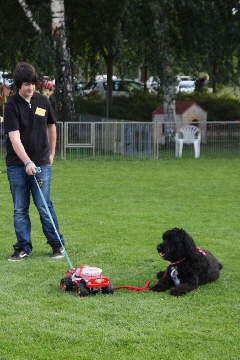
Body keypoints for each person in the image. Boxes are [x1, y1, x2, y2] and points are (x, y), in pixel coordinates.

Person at [4, 62, 65, 261]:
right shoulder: (11, 105)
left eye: (32, 83)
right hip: (16, 165)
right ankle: (23, 247)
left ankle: (57, 244)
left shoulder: (43, 102)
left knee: (44, 205)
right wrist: (27, 162)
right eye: (25, 84)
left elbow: (51, 127)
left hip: (41, 163)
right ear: (17, 86)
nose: (30, 88)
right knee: (20, 208)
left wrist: (52, 153)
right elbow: (14, 138)